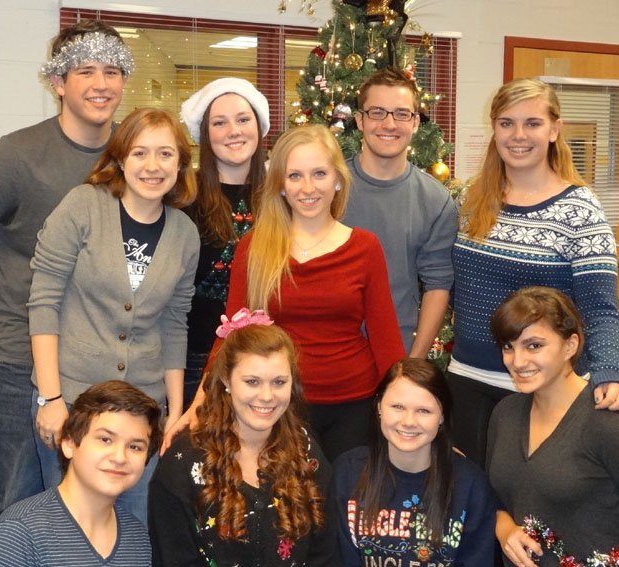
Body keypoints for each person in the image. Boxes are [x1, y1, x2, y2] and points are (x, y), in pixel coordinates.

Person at [447, 77, 619, 468]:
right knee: (472, 507)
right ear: (494, 128)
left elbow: (599, 310)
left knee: (526, 514)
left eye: (532, 123)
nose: (518, 135)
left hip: (539, 390)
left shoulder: (581, 210)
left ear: (554, 129)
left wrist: (609, 374)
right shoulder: (472, 200)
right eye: (506, 123)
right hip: (466, 379)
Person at [27, 107, 200, 524]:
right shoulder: (84, 206)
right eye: (140, 153)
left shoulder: (184, 233)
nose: (153, 166)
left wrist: (174, 411)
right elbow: (44, 300)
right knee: (69, 525)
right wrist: (50, 399)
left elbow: (175, 324)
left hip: (143, 411)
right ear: (121, 159)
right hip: (72, 400)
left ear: (180, 163)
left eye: (165, 154)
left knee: (135, 525)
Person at [205, 124, 405, 460]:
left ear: (338, 180)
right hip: (277, 406)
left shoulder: (365, 247)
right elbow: (232, 335)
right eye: (295, 176)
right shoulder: (254, 248)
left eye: (319, 174)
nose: (307, 187)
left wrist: (407, 403)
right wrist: (201, 400)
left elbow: (386, 340)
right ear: (281, 185)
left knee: (341, 505)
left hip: (353, 405)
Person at [0, 20, 131, 516]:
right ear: (57, 83)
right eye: (85, 71)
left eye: (113, 71)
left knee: (93, 509)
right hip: (17, 361)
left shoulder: (133, 155)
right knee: (20, 502)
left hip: (103, 362)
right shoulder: (16, 155)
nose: (101, 84)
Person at [487, 286, 619, 567]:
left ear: (570, 346)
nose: (517, 362)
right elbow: (496, 495)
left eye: (534, 345)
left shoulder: (608, 424)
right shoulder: (505, 414)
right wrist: (504, 528)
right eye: (509, 346)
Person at [149, 312, 339, 567]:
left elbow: (324, 557)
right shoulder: (183, 463)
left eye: (279, 382)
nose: (267, 395)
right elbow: (175, 560)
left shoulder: (307, 452)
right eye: (252, 381)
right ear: (226, 380)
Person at [334, 358, 497, 567]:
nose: (409, 421)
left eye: (424, 411)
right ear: (379, 408)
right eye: (398, 407)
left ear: (442, 417)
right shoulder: (347, 472)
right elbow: (337, 560)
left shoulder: (471, 485)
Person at [343, 67, 457, 357]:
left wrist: (414, 361)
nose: (389, 124)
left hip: (397, 351)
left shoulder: (435, 200)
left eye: (402, 113)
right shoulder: (327, 186)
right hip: (330, 351)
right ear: (360, 120)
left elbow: (437, 284)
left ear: (416, 122)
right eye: (377, 112)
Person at [0, 380, 162, 567]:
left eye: (135, 447)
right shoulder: (18, 533)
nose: (119, 457)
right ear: (68, 443)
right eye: (105, 439)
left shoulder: (137, 536)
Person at [179, 77, 269, 410]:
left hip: (264, 361)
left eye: (243, 119)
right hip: (193, 360)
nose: (234, 130)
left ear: (259, 127)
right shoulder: (183, 197)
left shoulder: (281, 196)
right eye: (220, 122)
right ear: (205, 134)